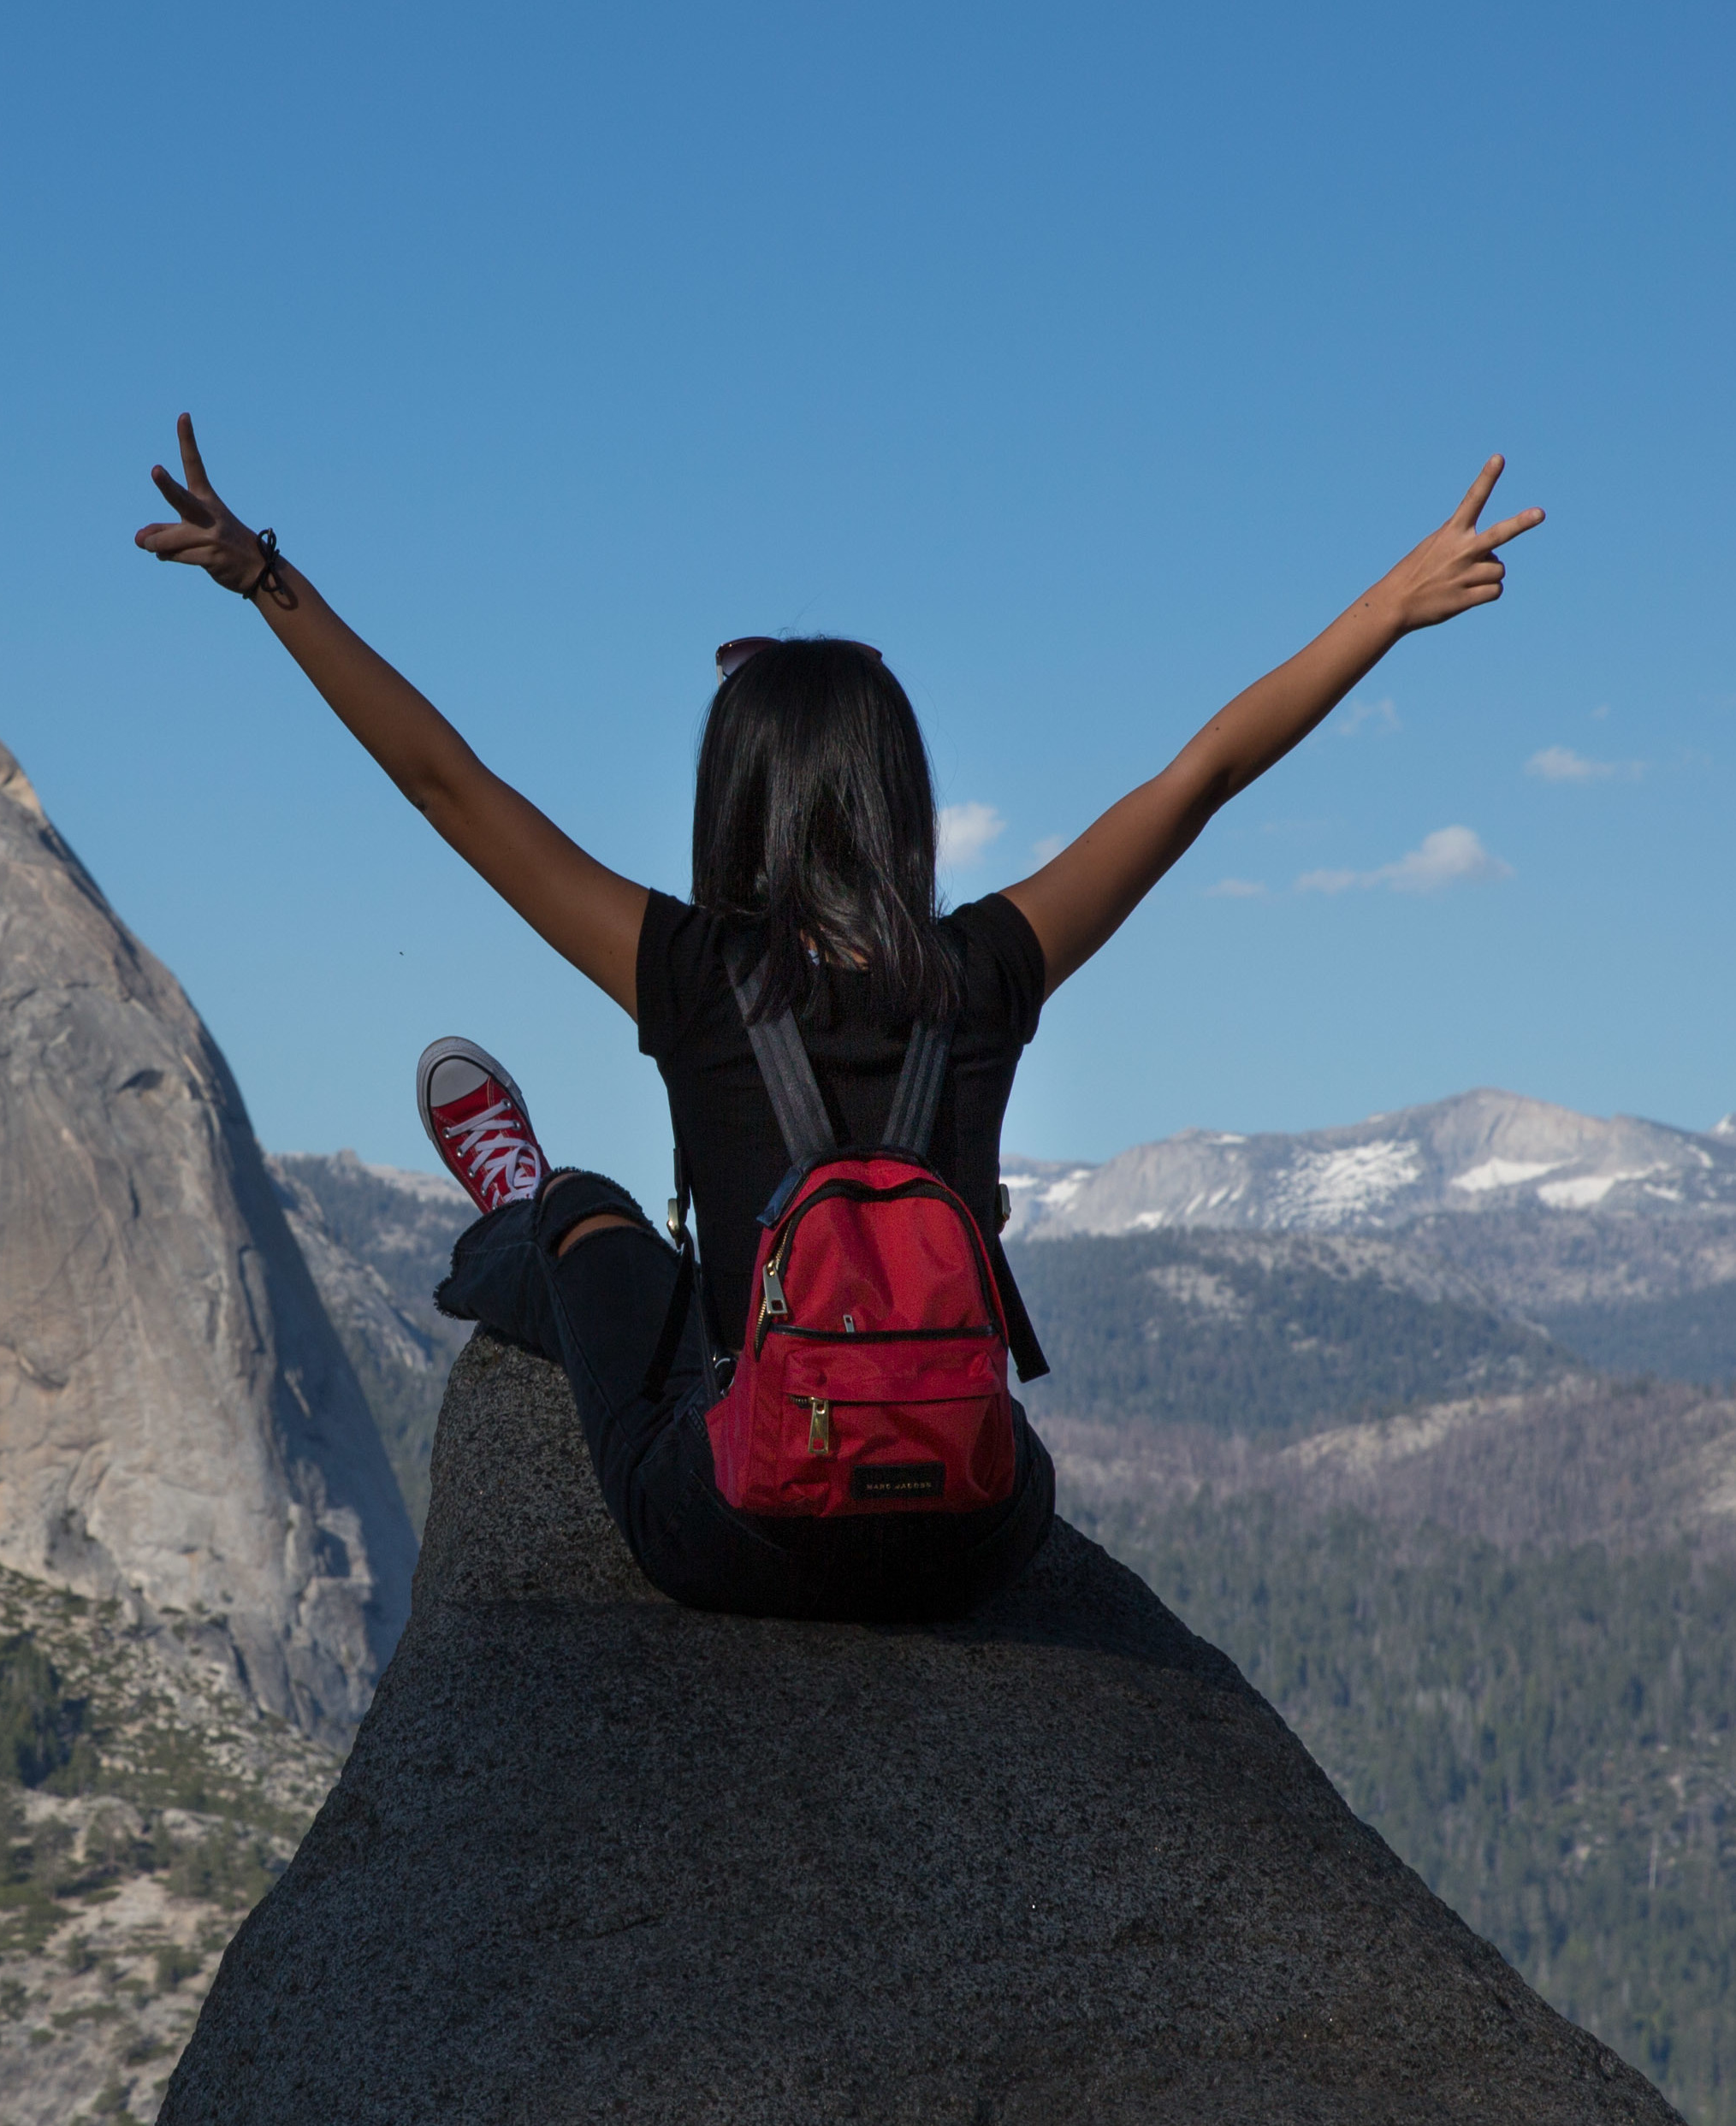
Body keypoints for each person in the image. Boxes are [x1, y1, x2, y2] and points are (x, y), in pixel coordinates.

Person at [133, 416, 1544, 1621]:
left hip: (737, 1528)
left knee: (598, 1232)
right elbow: (1201, 778)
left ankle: (519, 1201)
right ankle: (565, 1225)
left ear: (734, 796)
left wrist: (266, 577)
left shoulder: (685, 968)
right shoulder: (990, 964)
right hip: (971, 1537)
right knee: (737, 1308)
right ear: (897, 798)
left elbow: (444, 781)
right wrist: (1385, 605)